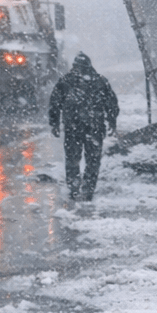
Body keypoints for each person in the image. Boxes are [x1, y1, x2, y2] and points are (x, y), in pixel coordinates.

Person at [47, 53, 118, 202]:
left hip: (74, 128)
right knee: (92, 160)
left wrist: (54, 123)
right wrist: (111, 122)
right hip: (94, 128)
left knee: (73, 159)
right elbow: (111, 104)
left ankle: (75, 188)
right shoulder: (100, 81)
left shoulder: (66, 81)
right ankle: (87, 190)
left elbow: (55, 103)